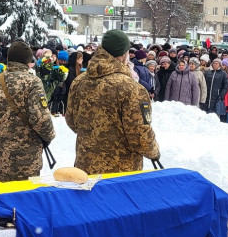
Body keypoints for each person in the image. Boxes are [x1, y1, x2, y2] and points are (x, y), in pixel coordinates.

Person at [65, 29, 160, 174]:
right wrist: (154, 152)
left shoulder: (79, 81)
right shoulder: (132, 88)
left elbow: (71, 120)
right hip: (120, 172)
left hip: (85, 167)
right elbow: (140, 135)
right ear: (124, 54)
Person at [0, 40, 56, 182]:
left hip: (1, 156)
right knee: (26, 200)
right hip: (27, 158)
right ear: (27, 60)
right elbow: (41, 119)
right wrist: (49, 136)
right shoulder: (32, 82)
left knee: (2, 199)